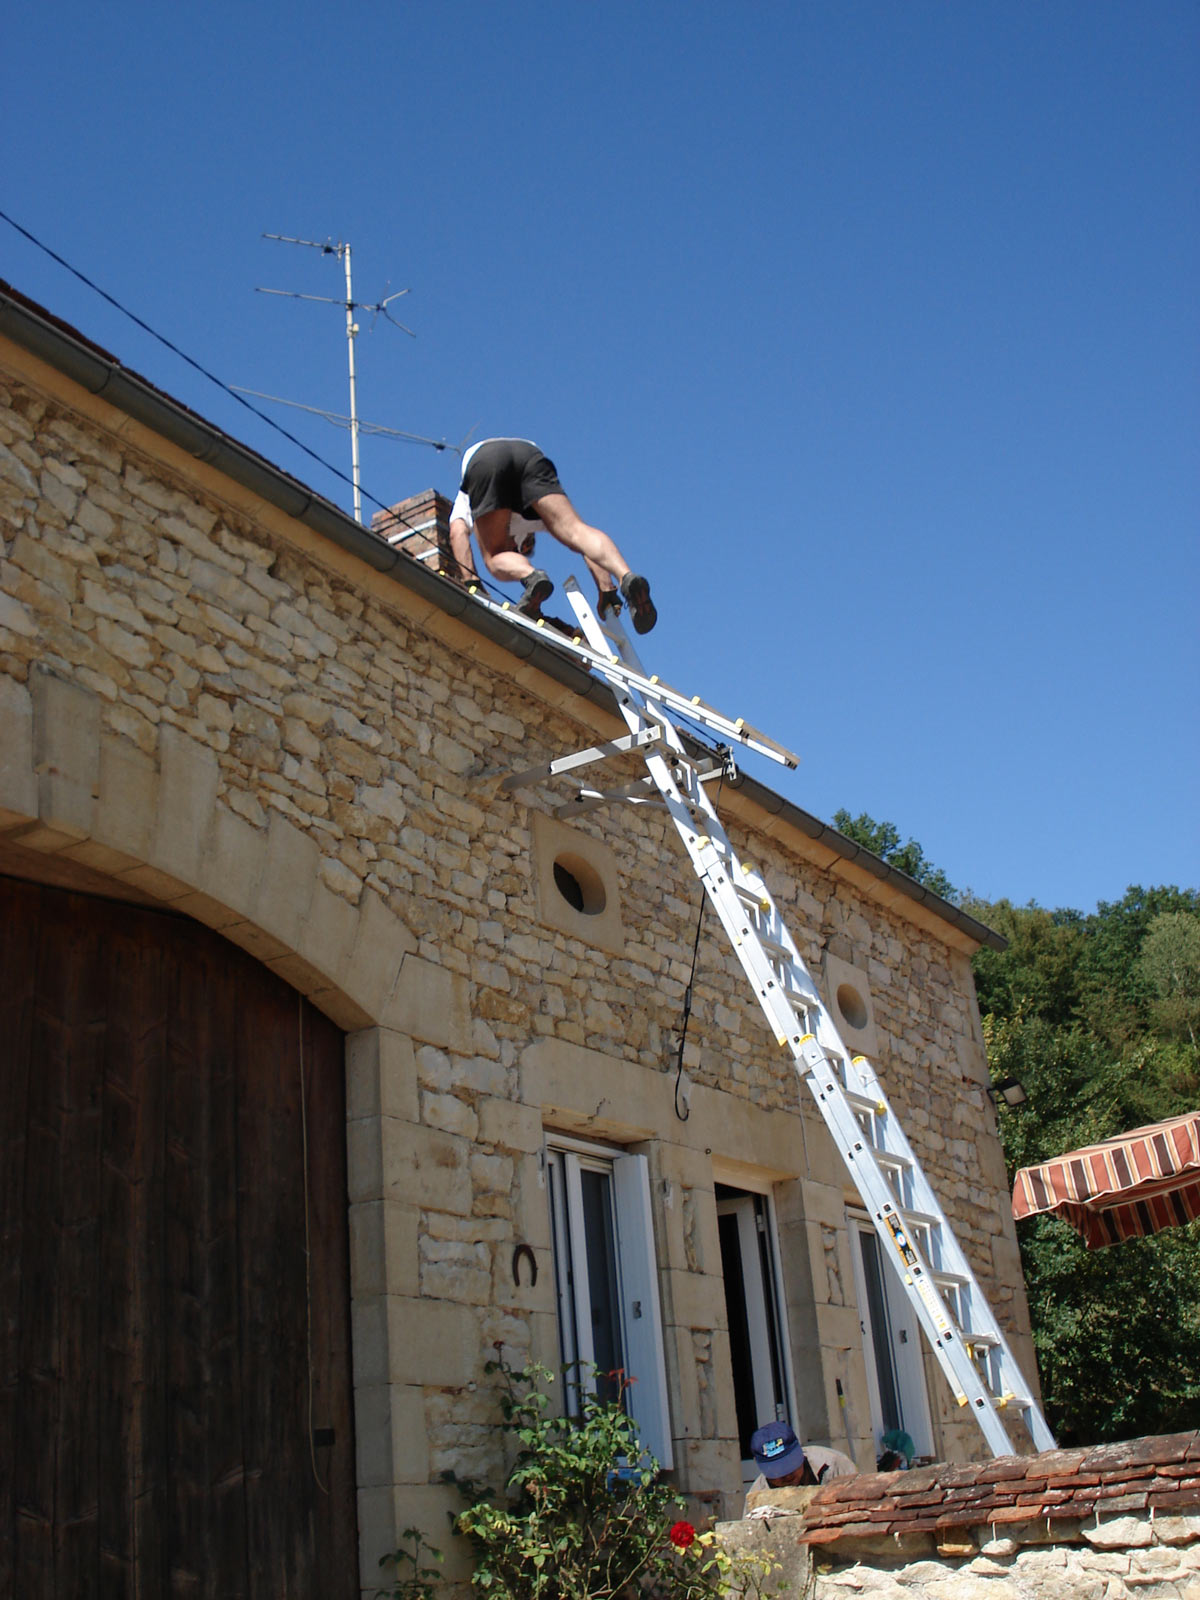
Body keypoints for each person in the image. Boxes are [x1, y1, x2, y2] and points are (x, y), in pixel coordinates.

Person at [447, 437, 657, 633]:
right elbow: (584, 547)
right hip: (529, 453)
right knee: (576, 531)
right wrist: (606, 589)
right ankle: (626, 576)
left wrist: (473, 585)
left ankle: (532, 578)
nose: (522, 550)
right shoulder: (538, 520)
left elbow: (457, 532)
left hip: (485, 458)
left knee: (494, 557)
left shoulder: (466, 498)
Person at [743, 1422, 857, 1514]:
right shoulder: (757, 1493)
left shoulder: (834, 1465)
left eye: (790, 1465)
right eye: (777, 1472)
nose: (787, 1476)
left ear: (800, 1453)